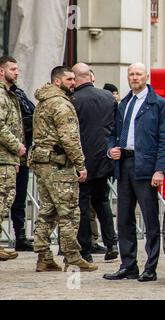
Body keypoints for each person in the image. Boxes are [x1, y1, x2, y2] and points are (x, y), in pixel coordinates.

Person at [103, 63, 165, 282]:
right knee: (123, 219)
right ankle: (128, 265)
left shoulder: (159, 104)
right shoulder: (124, 103)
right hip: (124, 165)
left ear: (147, 77)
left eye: (138, 74)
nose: (134, 77)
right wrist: (110, 148)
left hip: (147, 167)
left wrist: (160, 169)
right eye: (131, 74)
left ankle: (150, 268)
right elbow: (113, 133)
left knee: (150, 219)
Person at [30, 66, 97, 272]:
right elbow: (70, 139)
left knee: (48, 210)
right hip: (59, 165)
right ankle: (72, 256)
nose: (73, 83)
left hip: (42, 163)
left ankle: (43, 255)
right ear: (58, 82)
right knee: (69, 212)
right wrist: (80, 164)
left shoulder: (43, 102)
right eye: (69, 79)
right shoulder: (61, 104)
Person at [72, 63, 119, 263]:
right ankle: (112, 243)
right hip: (103, 158)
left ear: (75, 78)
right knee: (102, 201)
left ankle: (85, 250)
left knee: (82, 204)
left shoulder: (72, 100)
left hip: (82, 160)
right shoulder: (108, 97)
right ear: (90, 77)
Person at [0, 56, 35, 251]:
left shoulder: (15, 94)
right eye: (13, 69)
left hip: (12, 157)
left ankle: (19, 235)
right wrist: (17, 146)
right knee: (3, 200)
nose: (17, 72)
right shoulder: (1, 95)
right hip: (6, 156)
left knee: (12, 199)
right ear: (1, 71)